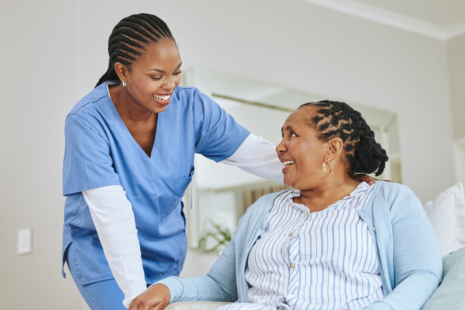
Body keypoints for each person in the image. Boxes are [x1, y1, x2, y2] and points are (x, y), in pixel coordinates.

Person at [62, 13, 375, 309]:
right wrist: (134, 296)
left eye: (176, 72)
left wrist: (340, 178)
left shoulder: (191, 108)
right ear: (122, 72)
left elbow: (257, 155)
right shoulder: (87, 121)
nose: (170, 85)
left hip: (165, 253)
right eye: (157, 76)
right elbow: (110, 214)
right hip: (102, 252)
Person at [144, 100, 443, 310]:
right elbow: (221, 286)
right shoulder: (264, 209)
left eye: (293, 134)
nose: (279, 146)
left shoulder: (390, 201)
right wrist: (170, 288)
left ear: (333, 148)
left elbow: (421, 274)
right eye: (281, 135)